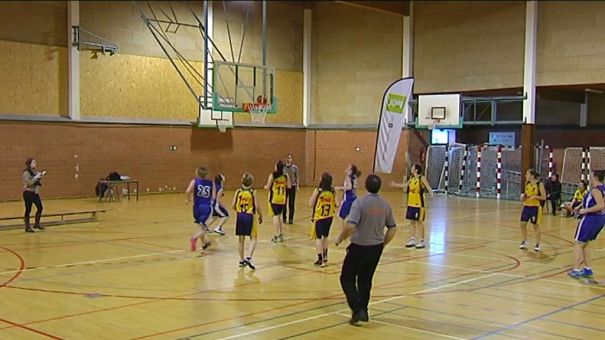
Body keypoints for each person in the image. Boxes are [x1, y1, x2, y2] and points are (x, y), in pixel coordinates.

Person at [335, 174, 397, 326]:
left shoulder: (360, 203)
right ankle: (364, 310)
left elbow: (350, 226)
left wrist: (340, 238)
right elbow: (392, 228)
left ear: (366, 186)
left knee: (347, 278)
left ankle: (357, 308)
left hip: (359, 248)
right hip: (375, 249)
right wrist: (383, 244)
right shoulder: (385, 205)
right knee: (365, 280)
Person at [568, 170, 605, 279]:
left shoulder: (596, 190)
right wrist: (579, 208)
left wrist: (586, 210)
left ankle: (575, 270)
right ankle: (588, 269)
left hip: (592, 218)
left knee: (578, 243)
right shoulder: (603, 189)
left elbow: (601, 205)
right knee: (586, 243)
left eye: (591, 176)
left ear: (595, 177)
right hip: (600, 219)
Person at [390, 163, 433, 249]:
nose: (411, 168)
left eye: (413, 167)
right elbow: (405, 185)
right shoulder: (411, 178)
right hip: (411, 203)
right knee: (412, 222)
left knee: (419, 222)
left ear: (416, 170)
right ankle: (412, 239)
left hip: (419, 204)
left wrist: (431, 194)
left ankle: (422, 241)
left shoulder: (422, 178)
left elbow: (428, 187)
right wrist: (396, 185)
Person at [232, 173, 263, 270]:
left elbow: (233, 205)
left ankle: (241, 260)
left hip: (240, 216)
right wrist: (261, 215)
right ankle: (249, 257)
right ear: (251, 183)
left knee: (241, 239)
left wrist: (239, 210)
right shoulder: (253, 192)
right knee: (253, 237)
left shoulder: (238, 192)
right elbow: (257, 207)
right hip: (250, 216)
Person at [309, 173, 339, 267]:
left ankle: (320, 259)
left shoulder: (318, 190)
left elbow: (311, 203)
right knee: (325, 237)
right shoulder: (332, 191)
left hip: (319, 217)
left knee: (318, 238)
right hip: (329, 217)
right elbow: (337, 204)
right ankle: (325, 257)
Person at [186, 167, 215, 251]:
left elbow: (188, 191)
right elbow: (213, 197)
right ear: (207, 174)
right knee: (205, 228)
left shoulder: (194, 181)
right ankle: (194, 238)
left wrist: (188, 200)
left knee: (200, 226)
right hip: (206, 207)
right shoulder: (211, 183)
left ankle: (204, 243)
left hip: (196, 207)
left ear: (197, 173)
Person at [519, 169, 547, 252]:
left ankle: (538, 243)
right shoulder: (527, 184)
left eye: (527, 174)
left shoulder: (539, 184)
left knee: (535, 226)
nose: (525, 176)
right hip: (526, 206)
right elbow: (527, 194)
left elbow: (544, 197)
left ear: (532, 176)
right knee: (522, 224)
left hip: (535, 207)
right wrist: (523, 196)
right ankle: (525, 240)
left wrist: (535, 197)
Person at [265, 160, 291, 243]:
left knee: (275, 216)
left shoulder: (273, 175)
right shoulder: (285, 176)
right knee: (279, 216)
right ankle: (281, 233)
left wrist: (266, 187)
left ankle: (277, 235)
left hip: (274, 199)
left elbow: (268, 186)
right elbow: (289, 186)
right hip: (282, 199)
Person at [336, 164, 361, 233]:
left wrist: (339, 188)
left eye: (348, 167)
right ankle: (354, 231)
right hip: (354, 199)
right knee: (351, 217)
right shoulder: (355, 177)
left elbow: (349, 187)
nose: (346, 168)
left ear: (351, 170)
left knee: (340, 216)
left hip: (347, 199)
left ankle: (342, 232)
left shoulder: (348, 177)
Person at [23, 158, 46, 233]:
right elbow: (29, 183)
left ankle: (37, 223)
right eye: (33, 162)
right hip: (28, 193)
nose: (35, 164)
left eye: (35, 162)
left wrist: (40, 176)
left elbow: (36, 182)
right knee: (28, 209)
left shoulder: (35, 172)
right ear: (29, 164)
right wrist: (35, 178)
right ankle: (27, 227)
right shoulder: (26, 173)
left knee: (40, 207)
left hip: (35, 193)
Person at [282, 154, 299, 225]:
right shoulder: (283, 167)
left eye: (289, 158)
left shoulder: (295, 167)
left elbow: (297, 177)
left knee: (291, 203)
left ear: (291, 159)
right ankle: (284, 218)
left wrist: (297, 186)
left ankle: (291, 218)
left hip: (292, 186)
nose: (288, 159)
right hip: (285, 187)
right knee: (284, 203)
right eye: (287, 158)